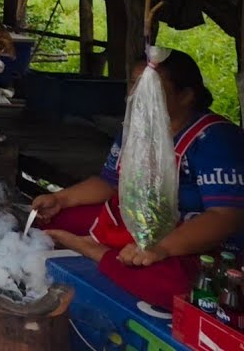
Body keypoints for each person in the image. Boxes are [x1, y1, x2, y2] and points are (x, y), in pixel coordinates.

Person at [33, 48, 244, 308]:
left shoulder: (214, 139)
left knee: (177, 289)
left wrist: (161, 249)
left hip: (196, 243)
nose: (138, 93)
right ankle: (110, 256)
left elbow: (225, 217)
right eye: (134, 83)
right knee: (49, 219)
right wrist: (60, 199)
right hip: (142, 227)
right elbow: (109, 183)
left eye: (151, 86)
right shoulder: (136, 128)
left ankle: (92, 250)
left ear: (186, 96)